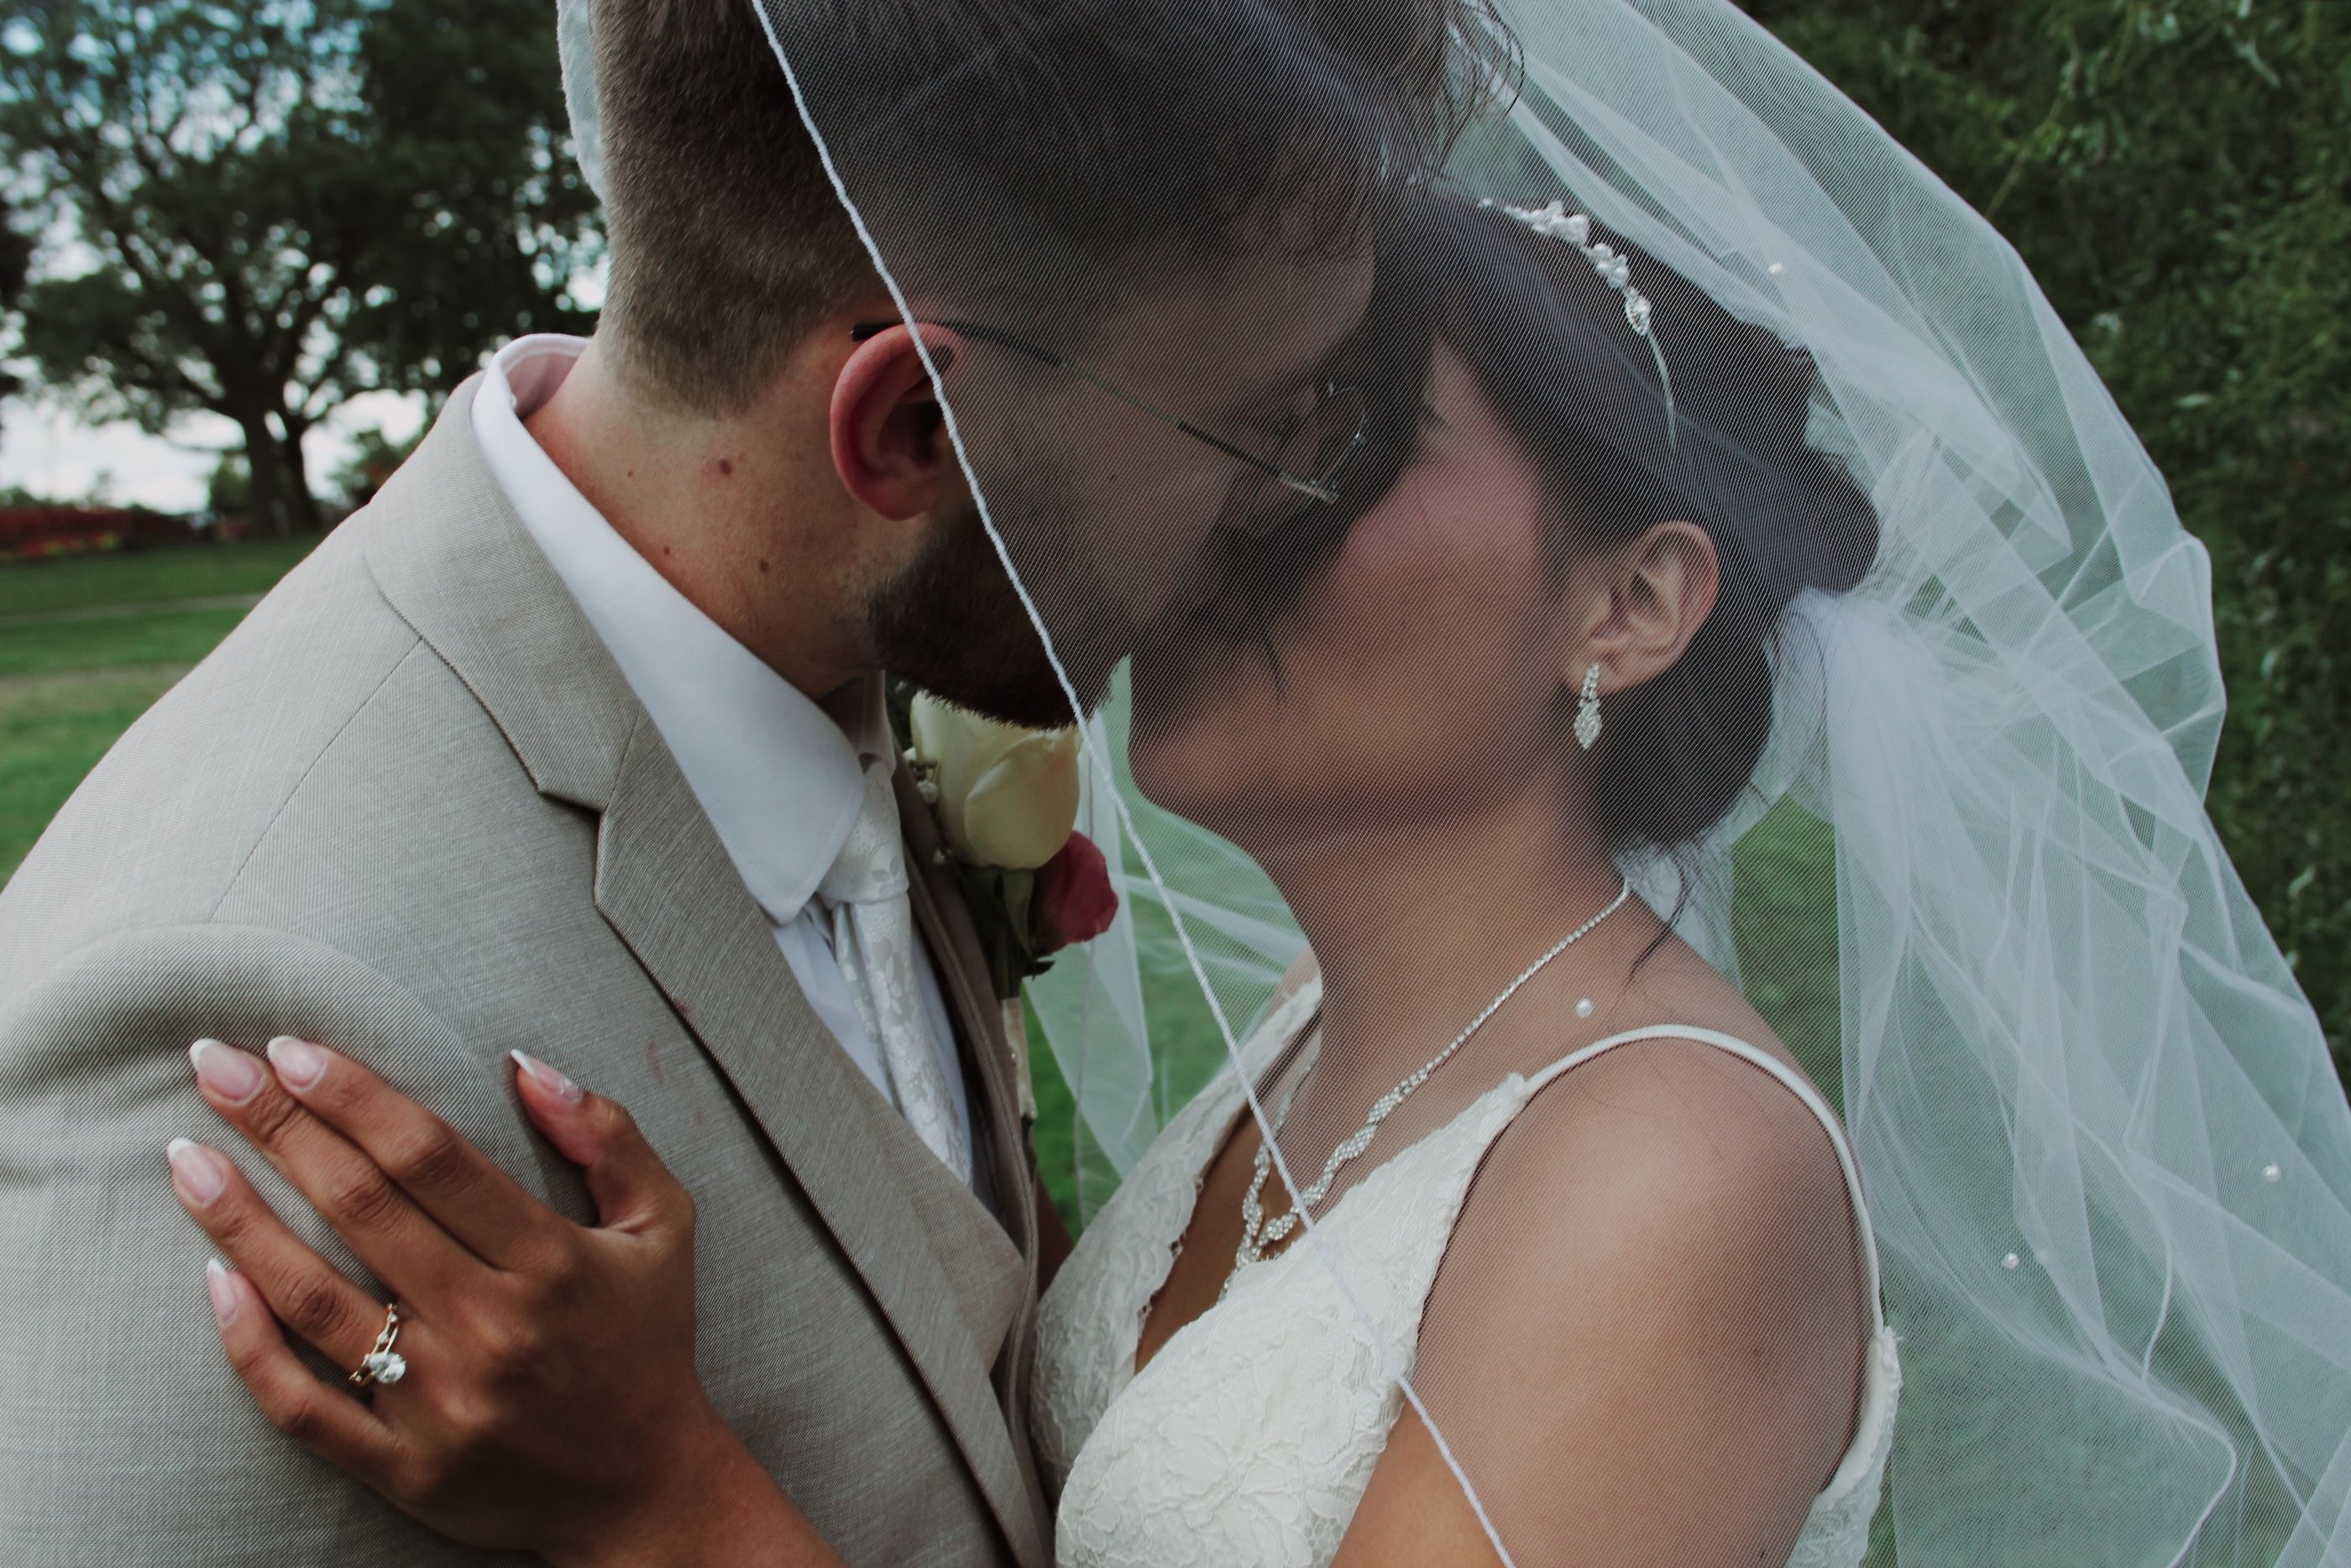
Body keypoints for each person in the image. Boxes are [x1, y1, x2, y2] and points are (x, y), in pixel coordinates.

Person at [0, 2, 1499, 1563]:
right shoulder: (242, 1020)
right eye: (1259, 426)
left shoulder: (839, 654)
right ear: (917, 431)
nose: (1284, 506)